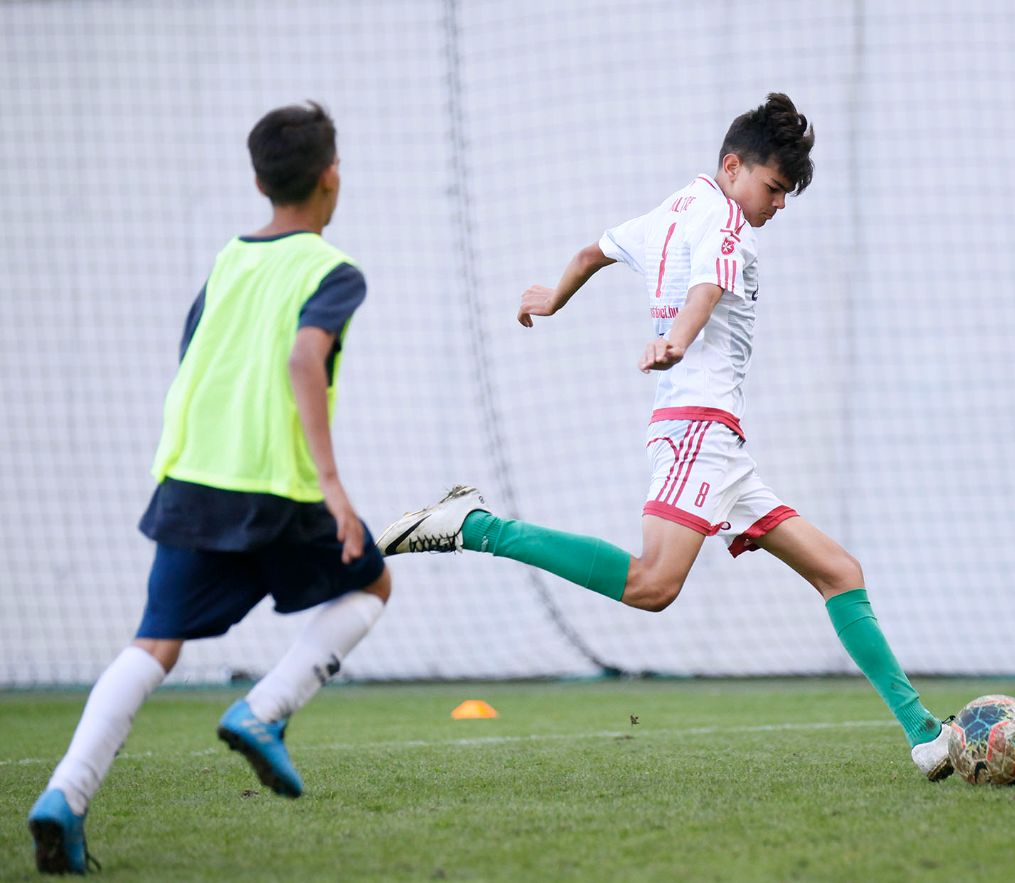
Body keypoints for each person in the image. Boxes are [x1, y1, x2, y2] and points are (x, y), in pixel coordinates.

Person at [377, 93, 952, 782]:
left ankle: (925, 735)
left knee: (839, 573)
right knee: (652, 584)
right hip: (696, 429)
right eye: (774, 186)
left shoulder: (670, 210)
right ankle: (474, 526)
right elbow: (706, 288)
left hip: (720, 445)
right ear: (733, 167)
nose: (778, 203)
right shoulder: (728, 223)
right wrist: (676, 340)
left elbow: (591, 252)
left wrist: (553, 297)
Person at [27, 101, 391, 875]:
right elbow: (303, 357)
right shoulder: (332, 270)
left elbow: (195, 356)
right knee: (373, 585)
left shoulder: (228, 260)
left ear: (260, 181)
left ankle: (64, 794)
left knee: (154, 643)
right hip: (275, 486)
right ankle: (263, 710)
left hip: (193, 478)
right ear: (331, 176)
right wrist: (332, 486)